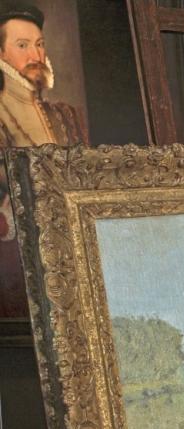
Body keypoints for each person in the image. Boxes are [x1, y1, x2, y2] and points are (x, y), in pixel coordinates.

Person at [0, 2, 87, 316]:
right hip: (16, 257)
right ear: (1, 54)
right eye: (22, 45)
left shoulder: (64, 115)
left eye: (39, 44)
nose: (35, 55)